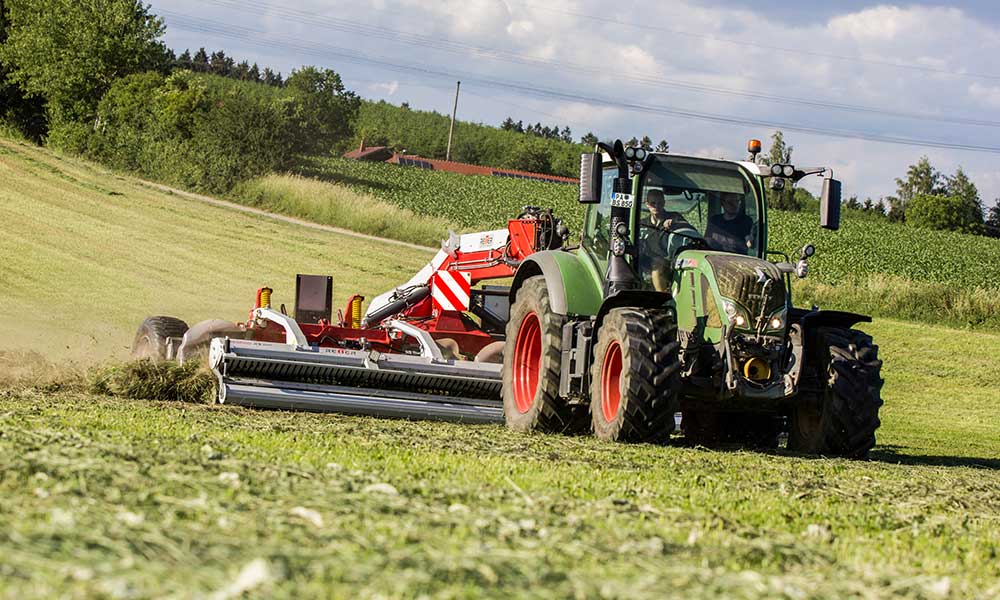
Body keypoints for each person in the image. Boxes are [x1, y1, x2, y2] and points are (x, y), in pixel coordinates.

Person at [639, 189, 691, 291]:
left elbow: (689, 232)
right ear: (647, 204)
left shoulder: (674, 217)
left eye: (660, 203)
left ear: (664, 203)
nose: (656, 206)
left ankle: (662, 297)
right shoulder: (642, 224)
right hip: (645, 263)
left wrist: (675, 225)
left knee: (657, 264)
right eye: (653, 203)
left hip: (670, 262)